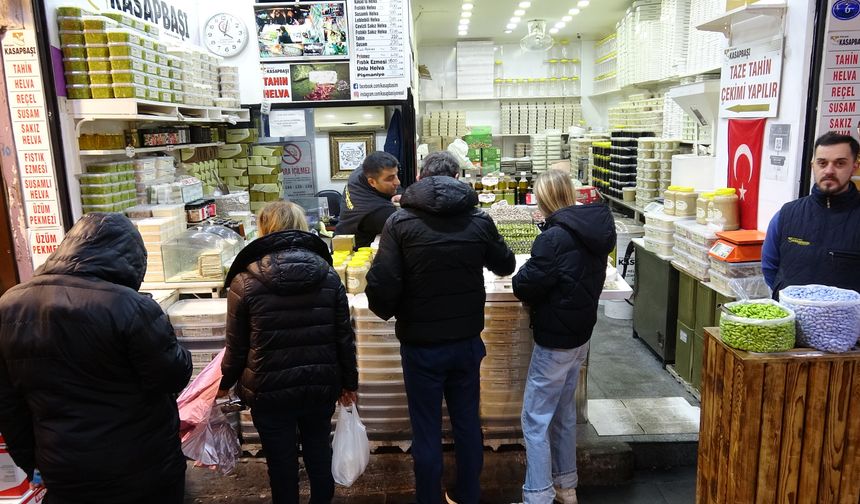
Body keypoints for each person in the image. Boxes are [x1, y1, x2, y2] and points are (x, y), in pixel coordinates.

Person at [0, 213, 192, 504]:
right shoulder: (130, 306)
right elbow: (173, 374)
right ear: (131, 259)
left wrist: (37, 465)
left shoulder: (9, 306)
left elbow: (9, 407)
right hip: (141, 467)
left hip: (64, 470)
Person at [365, 151, 516, 504]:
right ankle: (467, 495)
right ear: (458, 177)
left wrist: (387, 306)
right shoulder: (479, 220)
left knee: (427, 429)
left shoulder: (399, 223)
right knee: (466, 425)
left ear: (421, 177)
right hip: (465, 341)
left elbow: (383, 286)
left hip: (420, 345)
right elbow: (505, 265)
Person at [218, 201, 358, 504]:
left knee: (281, 466)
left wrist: (223, 383)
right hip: (320, 385)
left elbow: (237, 346)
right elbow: (343, 337)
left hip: (269, 391)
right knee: (320, 454)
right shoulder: (328, 276)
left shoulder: (244, 281)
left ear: (264, 229)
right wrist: (349, 382)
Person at [512, 169, 616, 504]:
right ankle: (566, 486)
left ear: (545, 199)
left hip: (554, 340)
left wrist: (527, 268)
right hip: (580, 337)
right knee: (563, 413)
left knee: (534, 420)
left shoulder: (553, 238)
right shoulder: (593, 230)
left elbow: (525, 283)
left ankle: (538, 495)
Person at [762, 132, 860, 296]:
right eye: (822, 163)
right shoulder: (786, 215)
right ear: (812, 165)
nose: (829, 170)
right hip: (792, 319)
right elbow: (770, 267)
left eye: (840, 163)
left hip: (848, 321)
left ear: (854, 167)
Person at [335, 151, 401, 249]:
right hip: (353, 255)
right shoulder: (379, 211)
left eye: (396, 175)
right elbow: (407, 232)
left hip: (340, 236)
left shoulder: (360, 173)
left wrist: (399, 193)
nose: (397, 182)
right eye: (390, 178)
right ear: (372, 182)